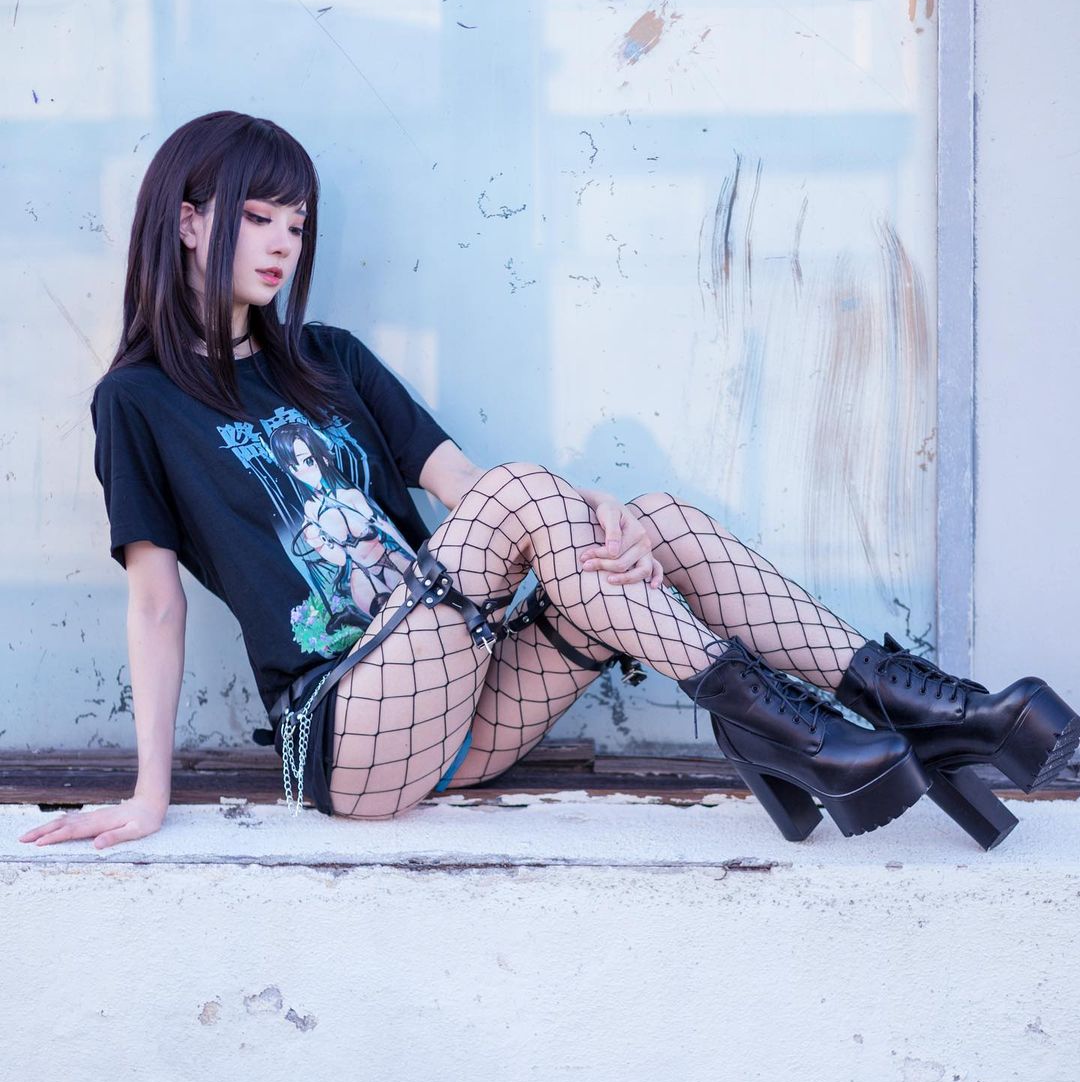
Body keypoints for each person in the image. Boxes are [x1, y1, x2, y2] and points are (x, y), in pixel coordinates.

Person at [20, 112, 1079, 855]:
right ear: (190, 219)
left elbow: (464, 484)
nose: (284, 245)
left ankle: (927, 707)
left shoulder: (328, 358)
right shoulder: (140, 402)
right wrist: (148, 796)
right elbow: (154, 606)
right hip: (351, 738)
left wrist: (589, 515)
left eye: (298, 225)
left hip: (468, 712)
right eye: (260, 216)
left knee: (660, 520)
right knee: (536, 497)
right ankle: (796, 731)